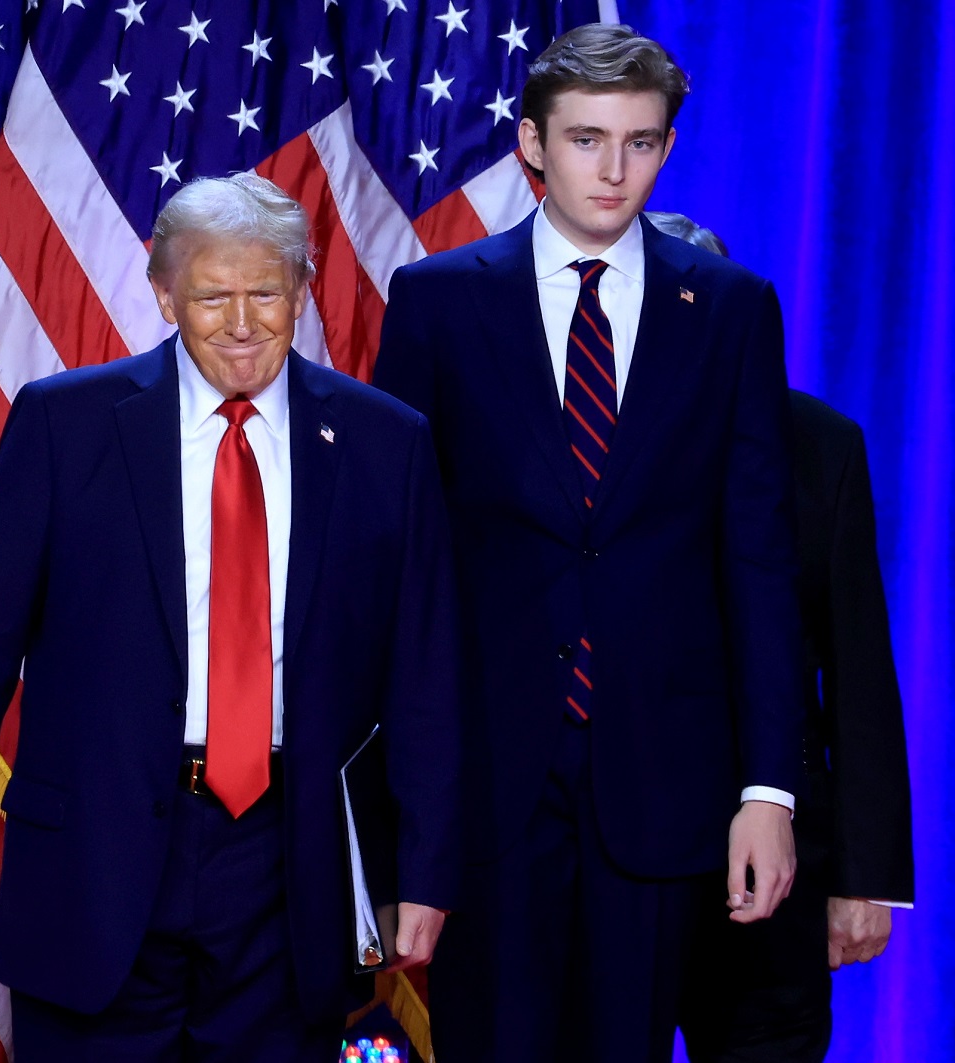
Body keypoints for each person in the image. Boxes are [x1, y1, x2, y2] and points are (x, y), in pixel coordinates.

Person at [0, 172, 462, 1061]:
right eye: (212, 295)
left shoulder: (389, 442)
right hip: (93, 858)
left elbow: (423, 673)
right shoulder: (65, 423)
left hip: (288, 866)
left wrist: (421, 869)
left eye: (266, 292)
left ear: (303, 291)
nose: (241, 321)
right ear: (163, 294)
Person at [371, 24, 805, 1063]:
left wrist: (769, 790)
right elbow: (399, 564)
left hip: (665, 777)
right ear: (531, 143)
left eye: (642, 144)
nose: (614, 171)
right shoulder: (435, 300)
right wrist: (396, 798)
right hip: (487, 778)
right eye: (586, 139)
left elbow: (759, 559)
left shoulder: (733, 310)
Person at [646, 212, 916, 1063]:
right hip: (616, 858)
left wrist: (865, 876)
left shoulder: (821, 445)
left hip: (782, 868)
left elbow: (860, 670)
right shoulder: (572, 448)